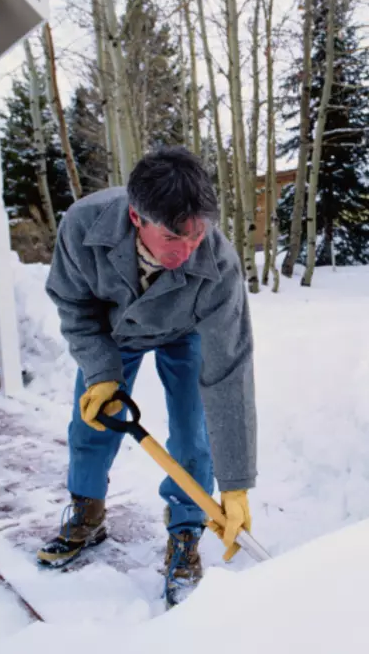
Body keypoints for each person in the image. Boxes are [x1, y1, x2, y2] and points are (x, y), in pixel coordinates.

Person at [36, 146, 257, 605]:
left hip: (186, 331)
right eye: (176, 237)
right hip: (114, 335)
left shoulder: (217, 262)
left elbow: (229, 372)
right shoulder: (83, 225)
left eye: (198, 235)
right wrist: (101, 371)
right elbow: (74, 305)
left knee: (192, 437)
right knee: (91, 425)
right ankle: (87, 513)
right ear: (137, 218)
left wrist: (235, 485)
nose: (189, 248)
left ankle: (186, 534)